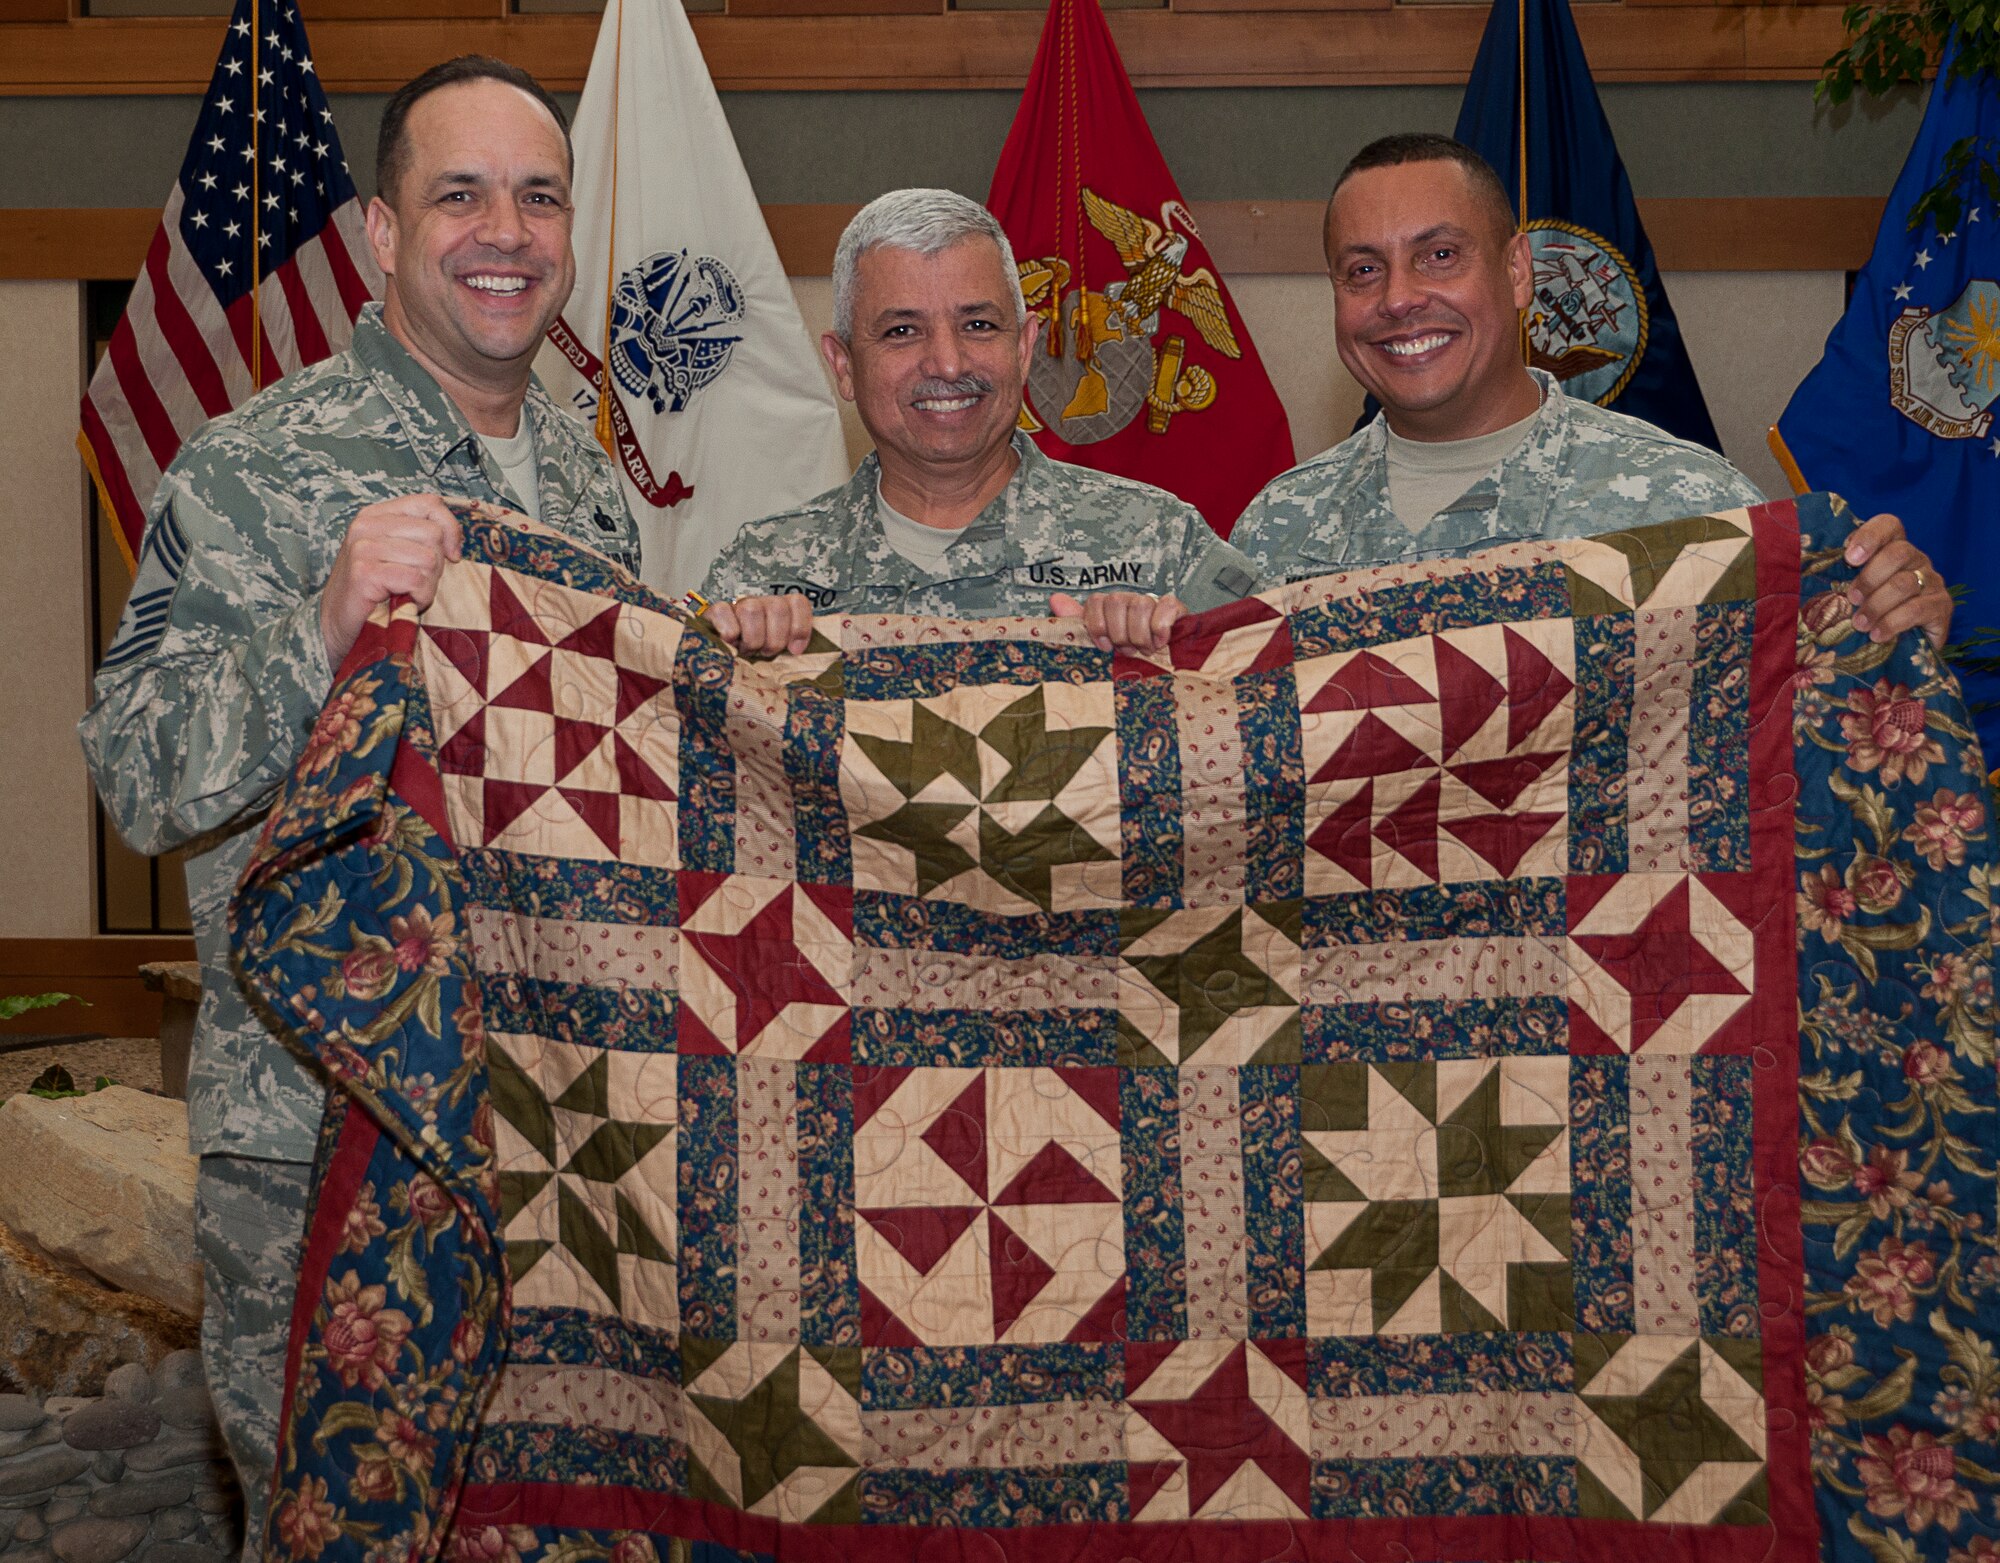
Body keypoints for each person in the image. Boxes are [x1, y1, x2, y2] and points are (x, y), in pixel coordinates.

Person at [77, 56, 639, 1557]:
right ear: (384, 235)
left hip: (553, 1129)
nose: (503, 230)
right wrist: (317, 624)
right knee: (350, 1533)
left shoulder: (593, 484)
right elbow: (135, 775)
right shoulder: (257, 470)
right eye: (458, 194)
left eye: (537, 195)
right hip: (329, 1127)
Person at [1232, 133, 1954, 649]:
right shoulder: (1276, 532)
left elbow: (1792, 742)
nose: (1398, 299)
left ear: (1518, 272)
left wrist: (1888, 615)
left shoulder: (1692, 505)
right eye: (1362, 271)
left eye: (1440, 256)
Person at [701, 188, 1260, 657]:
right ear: (844, 367)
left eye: (978, 325)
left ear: (1023, 348)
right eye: (902, 331)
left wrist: (1177, 656)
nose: (947, 363)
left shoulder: (1161, 547)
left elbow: (1290, 716)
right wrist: (742, 672)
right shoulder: (759, 573)